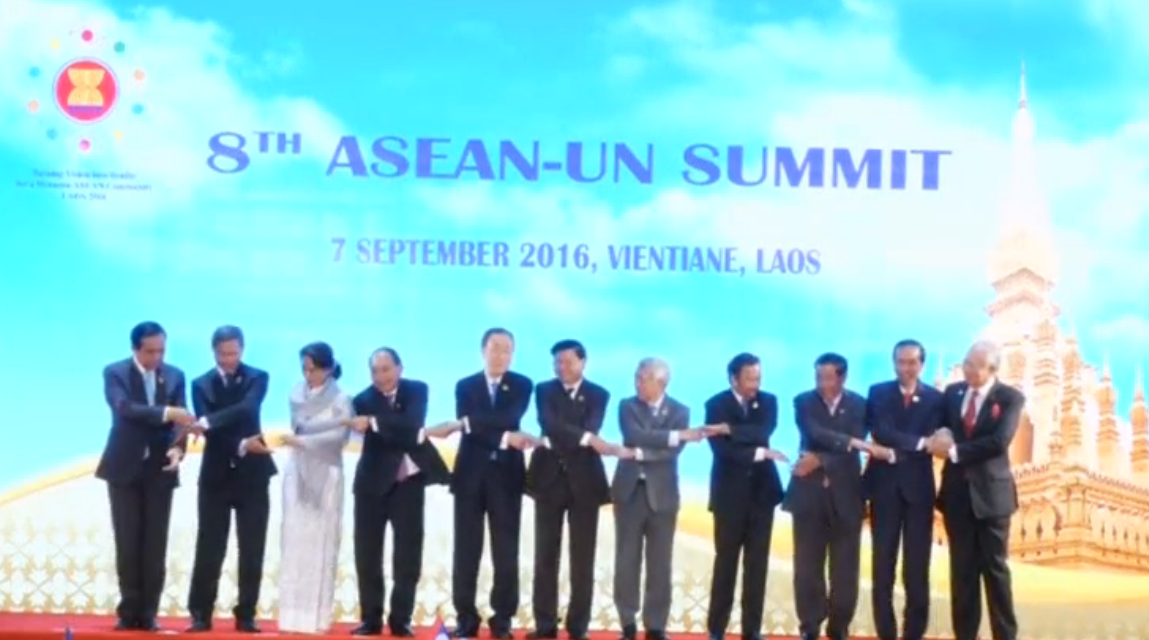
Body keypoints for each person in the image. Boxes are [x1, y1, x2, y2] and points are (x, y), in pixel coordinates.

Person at [783, 353, 892, 640]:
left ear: (842, 377)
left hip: (846, 495)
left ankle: (838, 626)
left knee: (845, 569)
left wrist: (819, 460)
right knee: (807, 567)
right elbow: (814, 433)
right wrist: (852, 444)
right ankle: (810, 625)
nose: (821, 384)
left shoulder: (859, 405)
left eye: (827, 378)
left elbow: (849, 446)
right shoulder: (802, 401)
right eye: (817, 377)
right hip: (808, 495)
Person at [349, 347, 456, 637]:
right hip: (371, 485)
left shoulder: (416, 390)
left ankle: (400, 620)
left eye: (386, 369)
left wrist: (374, 423)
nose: (380, 376)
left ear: (399, 368)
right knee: (367, 555)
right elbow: (407, 431)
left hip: (408, 483)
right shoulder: (361, 400)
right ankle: (371, 620)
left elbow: (412, 425)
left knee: (408, 555)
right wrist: (397, 429)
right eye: (375, 371)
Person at [95, 321, 192, 632]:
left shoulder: (175, 375)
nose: (157, 357)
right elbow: (123, 408)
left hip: (159, 470)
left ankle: (149, 612)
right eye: (150, 351)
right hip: (124, 468)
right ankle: (128, 612)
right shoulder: (115, 373)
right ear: (135, 349)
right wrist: (166, 413)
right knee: (128, 541)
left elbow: (182, 419)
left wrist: (178, 448)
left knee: (154, 543)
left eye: (162, 350)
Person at [928, 340, 1023, 640]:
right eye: (966, 362)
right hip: (957, 499)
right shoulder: (953, 393)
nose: (967, 369)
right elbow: (940, 426)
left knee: (995, 574)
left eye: (975, 366)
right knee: (963, 576)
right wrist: (940, 436)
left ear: (992, 369)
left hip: (993, 499)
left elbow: (999, 442)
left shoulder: (1009, 398)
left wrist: (954, 451)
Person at [185, 325, 276, 633]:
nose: (228, 359)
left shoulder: (257, 377)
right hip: (216, 475)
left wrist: (208, 420)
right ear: (213, 352)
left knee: (252, 546)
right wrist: (238, 443)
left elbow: (248, 408)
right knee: (210, 545)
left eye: (234, 353)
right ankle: (200, 612)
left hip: (254, 474)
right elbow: (215, 435)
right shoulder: (200, 384)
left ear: (243, 350)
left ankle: (247, 613)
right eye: (223, 354)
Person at [526, 339, 618, 640]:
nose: (561, 368)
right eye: (557, 362)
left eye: (567, 361)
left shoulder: (599, 394)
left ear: (583, 362)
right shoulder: (543, 390)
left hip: (585, 484)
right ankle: (545, 626)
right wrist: (588, 440)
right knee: (545, 556)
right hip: (548, 480)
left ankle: (578, 627)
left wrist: (580, 437)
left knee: (582, 559)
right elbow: (548, 424)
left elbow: (590, 424)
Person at [451, 328, 537, 639]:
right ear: (483, 350)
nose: (501, 355)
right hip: (469, 477)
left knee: (506, 551)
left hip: (506, 478)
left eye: (507, 349)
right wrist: (503, 437)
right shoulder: (465, 385)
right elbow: (469, 422)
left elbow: (506, 415)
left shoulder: (523, 385)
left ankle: (502, 620)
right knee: (465, 550)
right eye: (495, 348)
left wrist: (474, 424)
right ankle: (466, 619)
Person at [612, 357, 703, 640]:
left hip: (662, 496)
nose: (637, 383)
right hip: (629, 493)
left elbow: (670, 454)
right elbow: (633, 434)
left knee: (660, 562)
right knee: (626, 559)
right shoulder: (627, 405)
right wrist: (676, 436)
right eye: (637, 377)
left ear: (661, 382)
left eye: (644, 378)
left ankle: (656, 624)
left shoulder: (680, 411)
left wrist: (640, 453)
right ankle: (627, 621)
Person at [703, 353, 788, 640]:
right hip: (729, 496)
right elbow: (722, 452)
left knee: (757, 565)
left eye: (758, 378)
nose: (755, 384)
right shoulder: (715, 405)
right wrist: (760, 452)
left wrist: (729, 429)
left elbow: (763, 430)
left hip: (762, 495)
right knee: (725, 562)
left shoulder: (769, 401)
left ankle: (751, 630)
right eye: (750, 378)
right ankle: (717, 628)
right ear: (733, 378)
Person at [864, 339, 943, 640]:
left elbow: (941, 436)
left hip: (919, 493)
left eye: (912, 362)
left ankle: (913, 635)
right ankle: (886, 634)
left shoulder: (937, 399)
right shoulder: (879, 393)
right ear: (894, 362)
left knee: (916, 571)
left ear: (921, 365)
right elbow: (880, 432)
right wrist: (922, 444)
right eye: (901, 362)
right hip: (884, 490)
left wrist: (905, 446)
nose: (906, 368)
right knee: (882, 569)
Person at [278, 342, 354, 634]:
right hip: (297, 469)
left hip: (326, 470)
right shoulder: (296, 393)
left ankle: (316, 617)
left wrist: (305, 442)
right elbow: (297, 425)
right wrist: (299, 443)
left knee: (321, 542)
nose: (309, 375)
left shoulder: (341, 399)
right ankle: (291, 615)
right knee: (295, 540)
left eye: (314, 369)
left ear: (328, 367)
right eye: (305, 368)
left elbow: (339, 436)